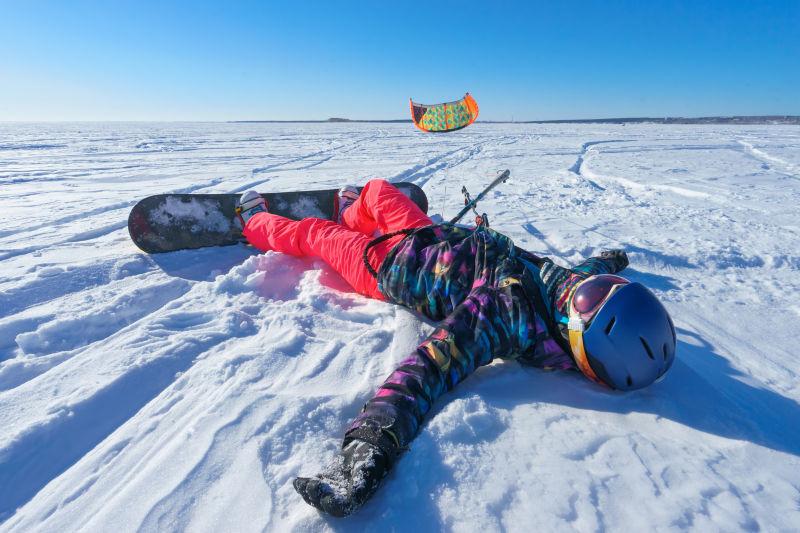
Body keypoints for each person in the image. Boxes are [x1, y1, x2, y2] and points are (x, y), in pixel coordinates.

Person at [236, 179, 676, 517]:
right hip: (427, 233)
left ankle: (254, 222)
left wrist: (370, 445)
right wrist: (605, 265)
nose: (581, 286)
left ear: (577, 338)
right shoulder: (571, 292)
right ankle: (355, 209)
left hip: (384, 263)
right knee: (376, 189)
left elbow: (427, 369)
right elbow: (573, 275)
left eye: (590, 296)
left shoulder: (501, 314)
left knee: (315, 233)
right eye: (600, 286)